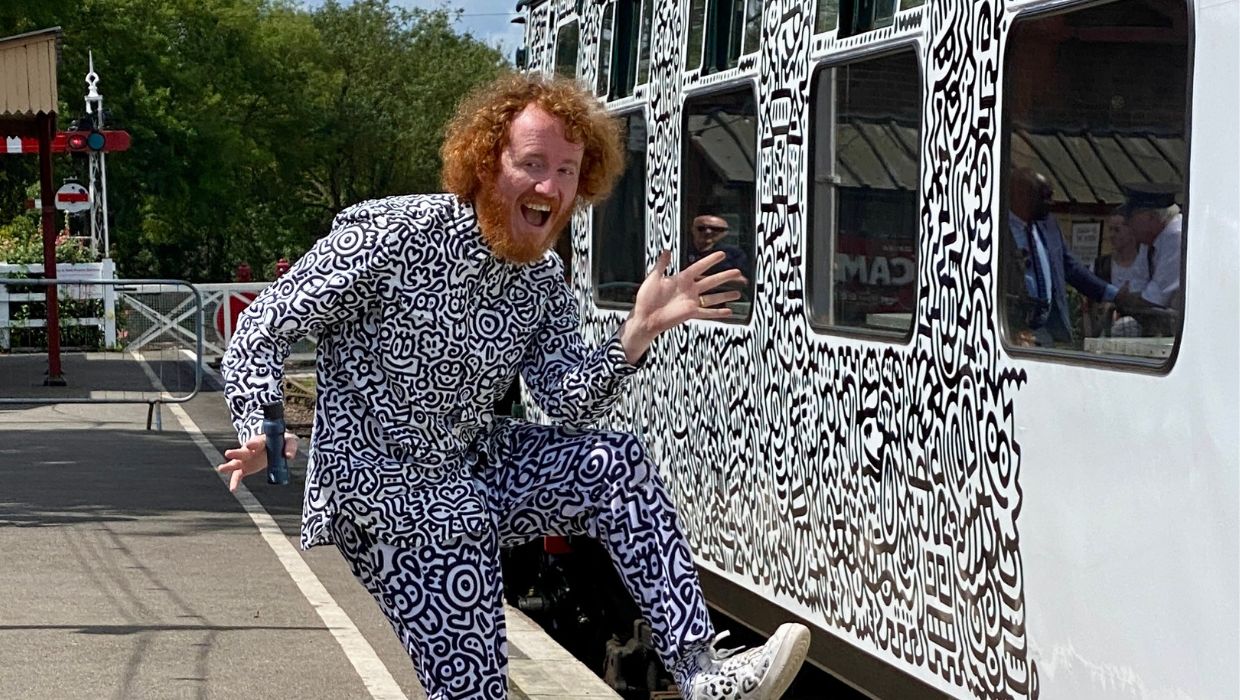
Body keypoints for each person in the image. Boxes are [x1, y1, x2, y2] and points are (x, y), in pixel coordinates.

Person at [216, 73, 809, 700]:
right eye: (532, 163)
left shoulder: (542, 276)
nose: (550, 187)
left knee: (615, 463)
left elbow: (567, 398)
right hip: (383, 484)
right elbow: (263, 326)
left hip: (473, 459)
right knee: (472, 661)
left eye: (569, 171)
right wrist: (261, 422)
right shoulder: (391, 236)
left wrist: (637, 333)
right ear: (483, 163)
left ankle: (699, 669)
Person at [1006, 167, 1142, 346]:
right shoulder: (994, 229)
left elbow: (1071, 268)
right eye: (1045, 196)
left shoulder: (1049, 225)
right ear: (1021, 195)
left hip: (1050, 332)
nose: (1052, 202)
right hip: (1012, 335)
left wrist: (1114, 295)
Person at [1121, 183, 1182, 308]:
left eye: (1131, 216)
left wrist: (1125, 299)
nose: (1126, 222)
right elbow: (1137, 282)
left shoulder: (1177, 237)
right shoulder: (1149, 241)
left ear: (1152, 217)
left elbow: (1156, 298)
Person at [1091, 210, 1150, 336]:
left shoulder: (1147, 263)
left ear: (1131, 230)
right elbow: (1089, 307)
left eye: (1117, 230)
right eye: (1110, 230)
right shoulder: (1100, 265)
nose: (1112, 235)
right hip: (1105, 335)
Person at [687, 213, 750, 286]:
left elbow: (742, 281)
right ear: (692, 229)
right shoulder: (681, 250)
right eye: (701, 228)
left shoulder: (734, 253)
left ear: (725, 233)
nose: (708, 232)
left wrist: (696, 279)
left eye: (716, 229)